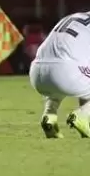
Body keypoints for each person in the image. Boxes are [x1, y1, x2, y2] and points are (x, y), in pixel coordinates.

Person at [29, 11, 90, 139]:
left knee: (66, 73)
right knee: (71, 72)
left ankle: (49, 115)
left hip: (37, 73)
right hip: (66, 73)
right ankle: (82, 115)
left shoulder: (75, 16)